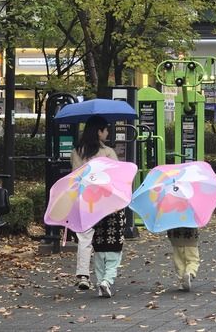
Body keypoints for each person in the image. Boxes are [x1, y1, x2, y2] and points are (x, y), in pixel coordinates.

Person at [70, 115, 121, 297]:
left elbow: (75, 175)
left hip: (84, 199)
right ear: (99, 131)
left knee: (84, 238)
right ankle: (106, 276)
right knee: (105, 240)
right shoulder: (107, 152)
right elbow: (116, 176)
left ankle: (83, 275)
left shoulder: (77, 151)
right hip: (104, 201)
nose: (107, 133)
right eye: (106, 129)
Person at [167, 227, 199, 291]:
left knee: (179, 261)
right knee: (193, 259)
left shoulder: (171, 217)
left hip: (176, 239)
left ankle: (182, 281)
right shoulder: (190, 217)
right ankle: (189, 272)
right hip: (190, 239)